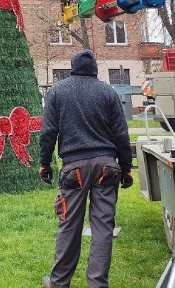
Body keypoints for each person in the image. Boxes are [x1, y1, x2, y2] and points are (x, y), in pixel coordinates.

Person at [38, 50, 133, 288]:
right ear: (95, 69)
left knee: (69, 225)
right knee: (103, 228)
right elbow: (121, 133)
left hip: (74, 169)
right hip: (106, 167)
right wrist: (126, 167)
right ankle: (98, 284)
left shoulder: (58, 92)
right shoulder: (107, 92)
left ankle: (59, 283)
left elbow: (49, 132)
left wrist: (44, 163)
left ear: (72, 68)